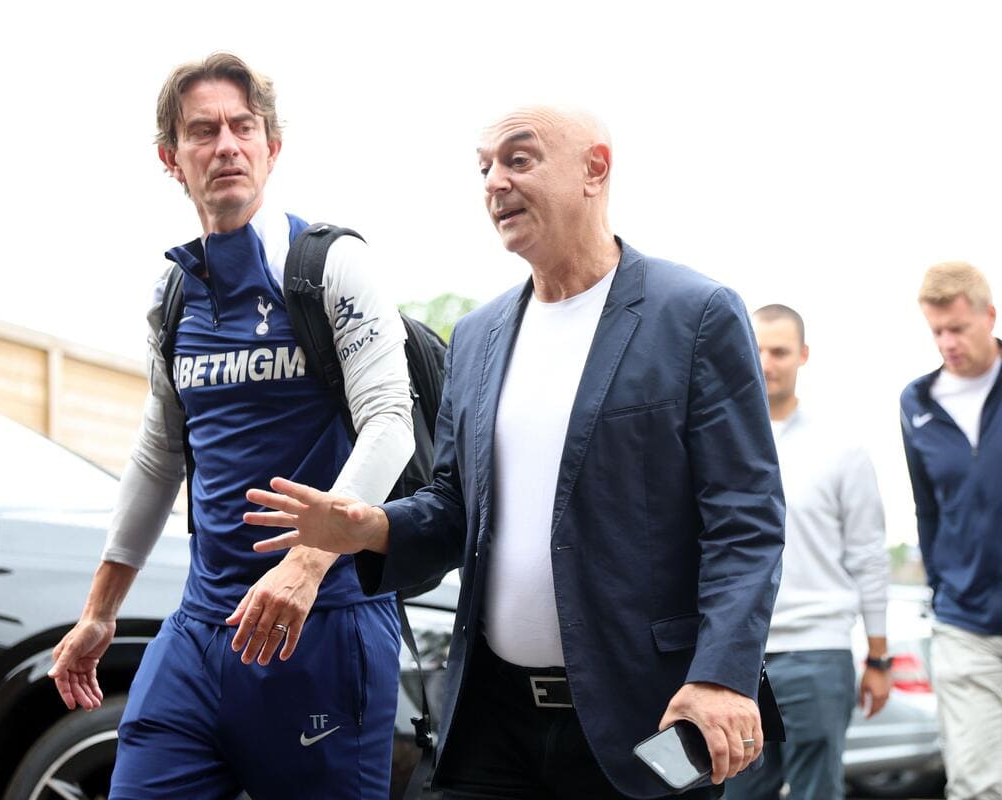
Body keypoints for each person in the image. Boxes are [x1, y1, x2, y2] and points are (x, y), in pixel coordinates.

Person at [245, 105, 785, 799]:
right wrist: (372, 527)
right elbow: (454, 508)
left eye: (519, 160)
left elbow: (745, 521)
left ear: (595, 169)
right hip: (492, 721)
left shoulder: (696, 314)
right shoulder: (476, 336)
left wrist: (721, 677)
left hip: (644, 720)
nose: (495, 182)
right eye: (484, 168)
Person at [46, 52, 415, 800]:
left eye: (243, 128)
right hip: (201, 631)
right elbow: (159, 453)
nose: (226, 146)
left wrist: (305, 566)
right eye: (202, 131)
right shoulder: (174, 292)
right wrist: (100, 612)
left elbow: (391, 422)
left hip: (322, 624)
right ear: (171, 158)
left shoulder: (331, 266)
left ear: (272, 147)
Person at [726, 304, 891, 800]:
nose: (766, 363)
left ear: (803, 355)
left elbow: (869, 556)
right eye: (756, 350)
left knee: (817, 792)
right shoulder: (717, 440)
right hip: (736, 657)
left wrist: (879, 659)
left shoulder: (841, 449)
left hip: (817, 652)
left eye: (779, 351)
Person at [901, 261, 1002, 800]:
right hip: (966, 624)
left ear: (990, 316)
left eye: (957, 329)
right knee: (975, 784)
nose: (947, 343)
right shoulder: (917, 404)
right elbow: (928, 510)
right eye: (936, 331)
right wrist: (943, 587)